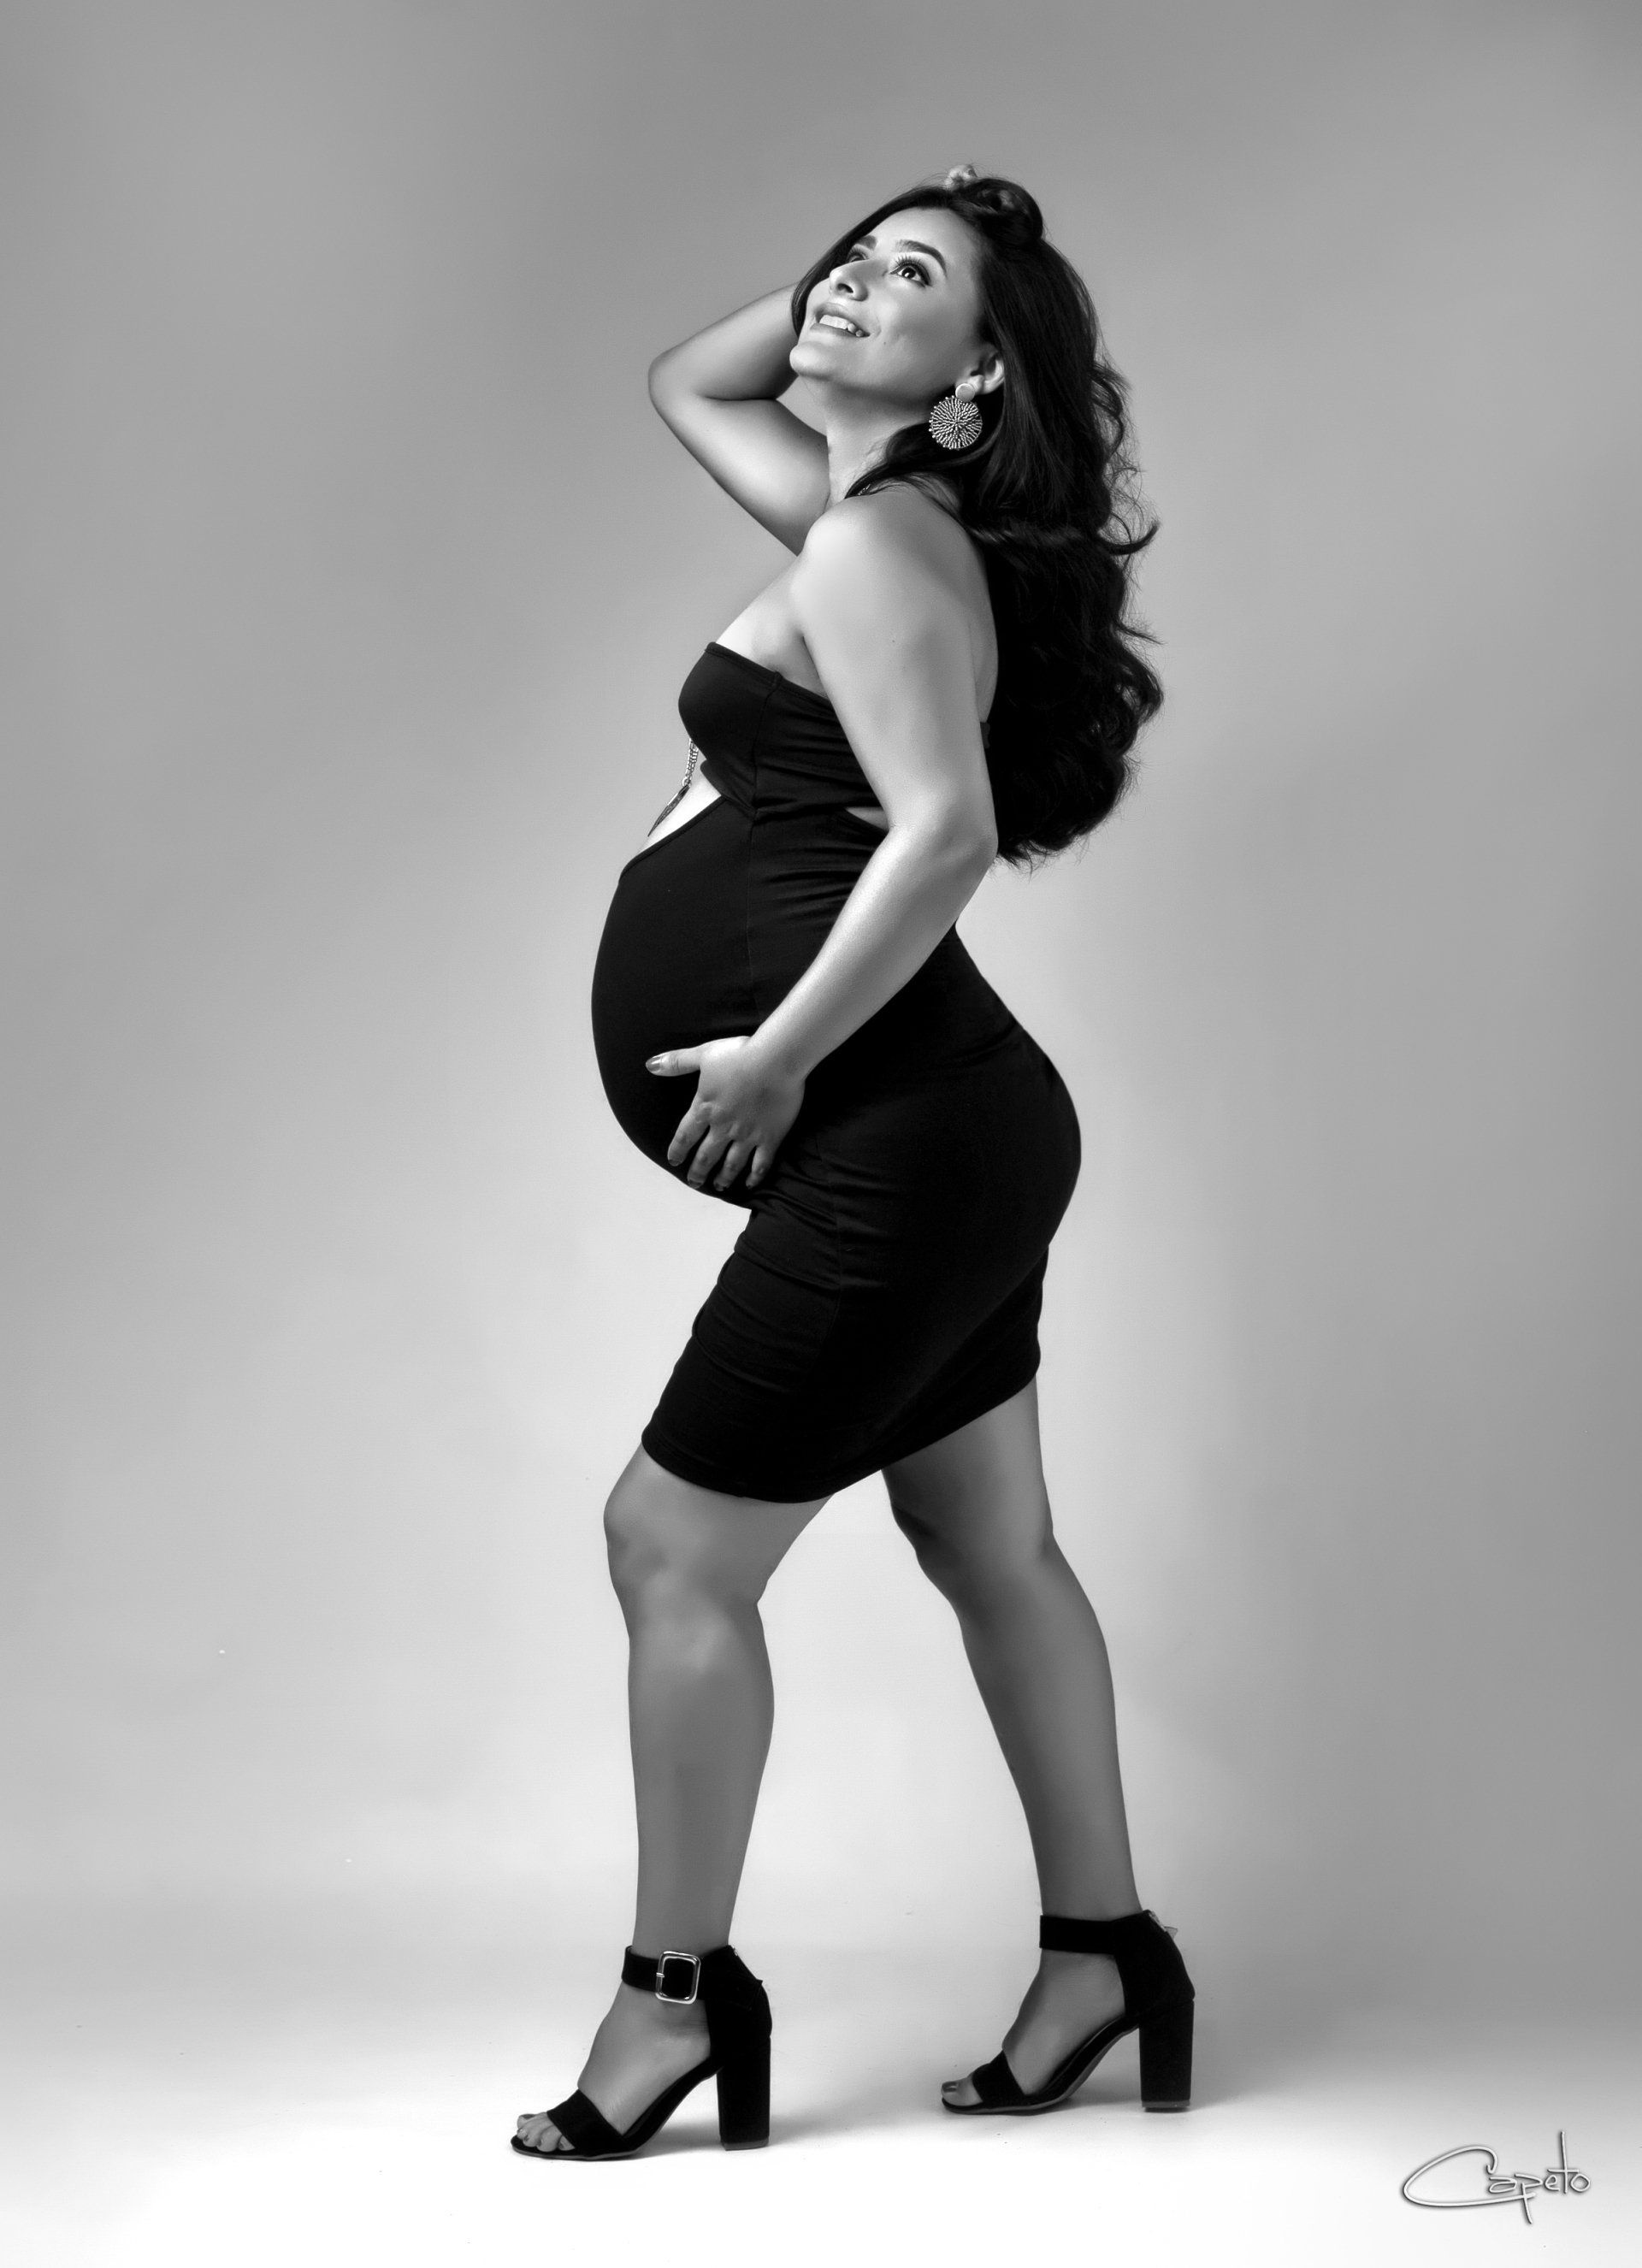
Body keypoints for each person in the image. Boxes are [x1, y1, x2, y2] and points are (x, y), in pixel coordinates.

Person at [512, 167, 1194, 2162]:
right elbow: (688, 378)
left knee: (671, 1547)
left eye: (915, 283)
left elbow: (945, 830)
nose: (847, 286)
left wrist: (782, 1056)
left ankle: (675, 2000)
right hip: (959, 1130)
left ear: (978, 375)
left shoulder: (883, 542)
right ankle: (1106, 1954)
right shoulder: (862, 511)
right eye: (851, 256)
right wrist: (886, 261)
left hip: (904, 1137)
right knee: (990, 1546)